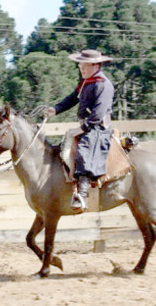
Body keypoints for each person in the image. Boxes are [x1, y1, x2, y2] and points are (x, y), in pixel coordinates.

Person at [45, 49, 115, 213]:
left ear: (95, 65)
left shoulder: (103, 85)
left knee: (84, 151)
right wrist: (55, 110)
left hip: (98, 128)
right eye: (80, 65)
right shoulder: (86, 82)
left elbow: (98, 113)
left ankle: (81, 195)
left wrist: (82, 128)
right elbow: (71, 99)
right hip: (88, 126)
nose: (81, 69)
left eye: (85, 66)